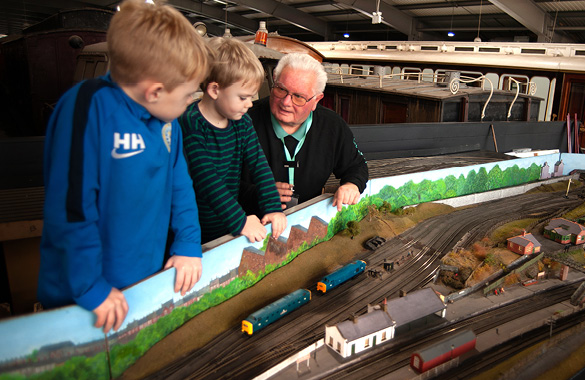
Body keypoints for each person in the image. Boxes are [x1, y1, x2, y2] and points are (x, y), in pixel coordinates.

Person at [37, 0, 209, 333]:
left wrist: (189, 242)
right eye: (189, 95)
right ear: (155, 91)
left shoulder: (165, 121)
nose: (192, 102)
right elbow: (70, 208)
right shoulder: (87, 109)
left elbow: (179, 183)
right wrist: (90, 287)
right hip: (83, 292)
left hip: (140, 282)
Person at [179, 38, 286, 244]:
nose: (250, 104)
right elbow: (206, 180)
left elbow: (259, 164)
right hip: (193, 227)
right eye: (243, 97)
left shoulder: (241, 121)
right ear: (214, 90)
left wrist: (272, 207)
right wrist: (241, 222)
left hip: (226, 223)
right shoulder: (191, 123)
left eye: (251, 97)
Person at [242, 53, 368, 213]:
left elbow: (357, 166)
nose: (286, 102)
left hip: (305, 221)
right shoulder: (243, 120)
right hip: (248, 225)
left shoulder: (332, 126)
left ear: (316, 100)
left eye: (298, 97)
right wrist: (257, 193)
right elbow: (217, 182)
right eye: (281, 89)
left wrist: (352, 185)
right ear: (274, 81)